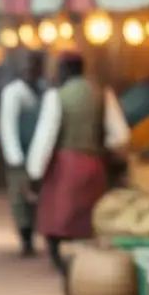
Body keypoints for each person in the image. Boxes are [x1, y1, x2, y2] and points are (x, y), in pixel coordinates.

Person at [25, 51, 130, 273]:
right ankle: (88, 260)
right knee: (89, 216)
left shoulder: (57, 96)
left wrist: (35, 172)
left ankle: (60, 260)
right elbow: (120, 135)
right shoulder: (103, 93)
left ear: (64, 70)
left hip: (65, 164)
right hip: (95, 162)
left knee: (59, 215)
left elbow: (46, 136)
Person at [0, 49, 45, 257]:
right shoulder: (13, 92)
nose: (32, 69)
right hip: (20, 154)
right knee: (20, 198)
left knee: (36, 198)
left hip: (40, 152)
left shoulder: (43, 89)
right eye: (28, 65)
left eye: (36, 65)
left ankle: (34, 232)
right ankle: (26, 237)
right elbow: (7, 126)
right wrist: (15, 158)